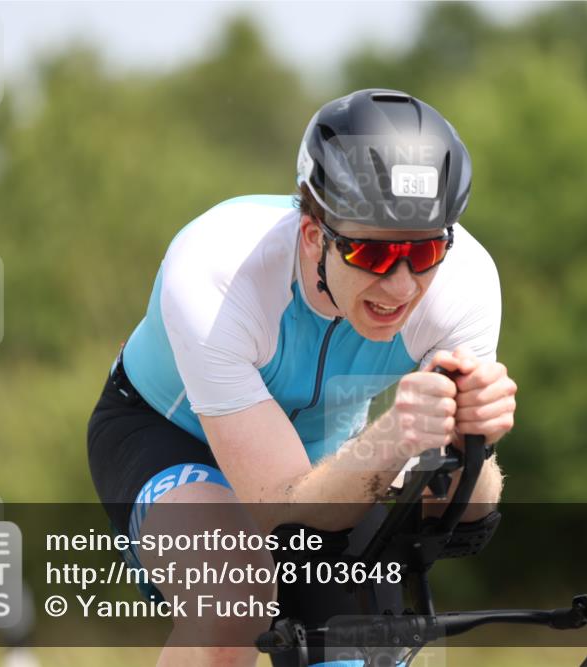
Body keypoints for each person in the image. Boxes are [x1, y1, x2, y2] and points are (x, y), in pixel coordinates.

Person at [87, 88, 517, 667]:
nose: (401, 285)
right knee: (233, 598)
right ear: (314, 234)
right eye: (371, 254)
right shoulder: (218, 270)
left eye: (424, 251)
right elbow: (279, 512)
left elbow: (460, 517)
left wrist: (477, 447)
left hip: (328, 458)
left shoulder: (464, 282)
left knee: (365, 649)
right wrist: (394, 439)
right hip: (167, 434)